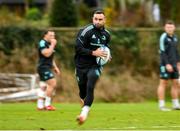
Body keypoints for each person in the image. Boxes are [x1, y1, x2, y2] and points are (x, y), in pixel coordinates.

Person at [74, 10, 111, 124]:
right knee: (82, 91)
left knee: (91, 84)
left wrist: (107, 56)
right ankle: (84, 105)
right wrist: (93, 53)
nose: (98, 21)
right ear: (92, 19)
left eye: (100, 19)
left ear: (104, 20)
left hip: (95, 66)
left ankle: (84, 114)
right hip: (81, 65)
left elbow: (106, 49)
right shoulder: (86, 31)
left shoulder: (107, 35)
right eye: (96, 19)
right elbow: (78, 48)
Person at [157, 20, 180, 111]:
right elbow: (162, 52)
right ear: (165, 28)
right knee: (163, 83)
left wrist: (178, 62)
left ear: (174, 28)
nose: (169, 29)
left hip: (175, 65)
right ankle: (161, 105)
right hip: (165, 65)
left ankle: (175, 104)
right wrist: (167, 64)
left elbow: (176, 51)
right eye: (167, 27)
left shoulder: (175, 37)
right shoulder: (163, 37)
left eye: (171, 27)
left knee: (175, 84)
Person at [37, 30, 60, 111]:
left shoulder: (49, 44)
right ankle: (47, 105)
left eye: (53, 35)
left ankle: (40, 106)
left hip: (47, 67)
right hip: (43, 67)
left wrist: (55, 67)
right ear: (45, 35)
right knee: (52, 83)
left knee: (43, 86)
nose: (52, 37)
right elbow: (46, 53)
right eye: (50, 35)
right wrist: (53, 45)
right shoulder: (42, 42)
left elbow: (50, 58)